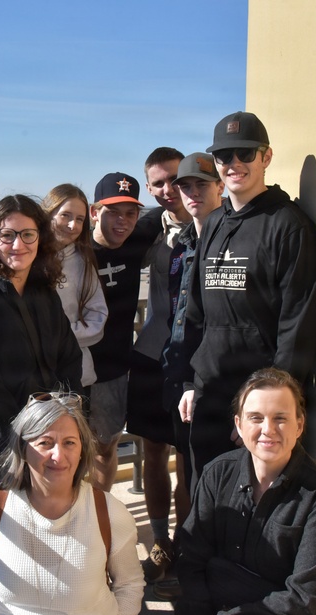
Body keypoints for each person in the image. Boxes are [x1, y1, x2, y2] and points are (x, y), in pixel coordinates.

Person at [171, 368, 316, 615]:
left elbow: (304, 598)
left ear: (299, 425)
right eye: (256, 417)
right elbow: (191, 561)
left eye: (281, 418)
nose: (268, 429)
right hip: (244, 610)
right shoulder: (216, 474)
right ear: (238, 423)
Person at [180, 111, 316, 489]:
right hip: (210, 393)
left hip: (258, 404)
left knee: (251, 500)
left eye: (245, 153)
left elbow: (297, 326)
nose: (235, 164)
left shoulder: (289, 226)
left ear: (267, 157)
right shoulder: (212, 223)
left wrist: (266, 413)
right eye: (225, 156)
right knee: (203, 491)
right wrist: (189, 383)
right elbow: (196, 312)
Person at [0, 391, 144, 615]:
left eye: (69, 442)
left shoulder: (109, 512)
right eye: (45, 442)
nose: (58, 455)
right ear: (23, 448)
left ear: (83, 449)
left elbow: (130, 584)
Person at [0, 195, 83, 499]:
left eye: (27, 235)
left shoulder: (43, 294)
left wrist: (66, 422)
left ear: (41, 239)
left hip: (49, 443)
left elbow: (70, 360)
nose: (18, 245)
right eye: (7, 235)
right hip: (0, 450)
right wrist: (27, 439)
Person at [151, 152, 225, 600]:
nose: (189, 193)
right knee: (190, 467)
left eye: (199, 184)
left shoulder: (223, 238)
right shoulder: (182, 238)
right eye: (184, 187)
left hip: (209, 378)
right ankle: (184, 557)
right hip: (180, 375)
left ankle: (197, 566)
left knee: (202, 476)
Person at [128, 147, 194, 584]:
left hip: (194, 359)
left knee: (189, 457)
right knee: (152, 451)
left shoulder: (217, 223)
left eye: (175, 179)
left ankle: (187, 546)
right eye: (158, 183)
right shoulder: (146, 228)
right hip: (152, 353)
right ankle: (159, 541)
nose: (168, 190)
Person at [86, 172, 160, 491]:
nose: (123, 221)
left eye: (131, 213)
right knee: (66, 454)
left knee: (105, 449)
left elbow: (170, 210)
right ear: (93, 212)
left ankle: (99, 516)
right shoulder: (71, 250)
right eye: (113, 211)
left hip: (113, 370)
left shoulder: (137, 240)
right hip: (68, 371)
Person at [42, 184, 108, 390]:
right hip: (31, 379)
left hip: (74, 377)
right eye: (65, 216)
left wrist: (57, 339)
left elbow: (98, 318)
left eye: (80, 219)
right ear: (47, 214)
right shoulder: (25, 257)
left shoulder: (82, 262)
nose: (72, 225)